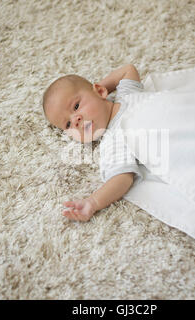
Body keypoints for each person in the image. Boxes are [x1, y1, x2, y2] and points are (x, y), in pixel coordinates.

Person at [42, 64, 144, 221]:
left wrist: (96, 92)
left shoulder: (127, 95)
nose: (75, 121)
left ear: (101, 91)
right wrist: (93, 202)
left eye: (76, 106)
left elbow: (128, 70)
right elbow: (122, 178)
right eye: (68, 125)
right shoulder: (113, 141)